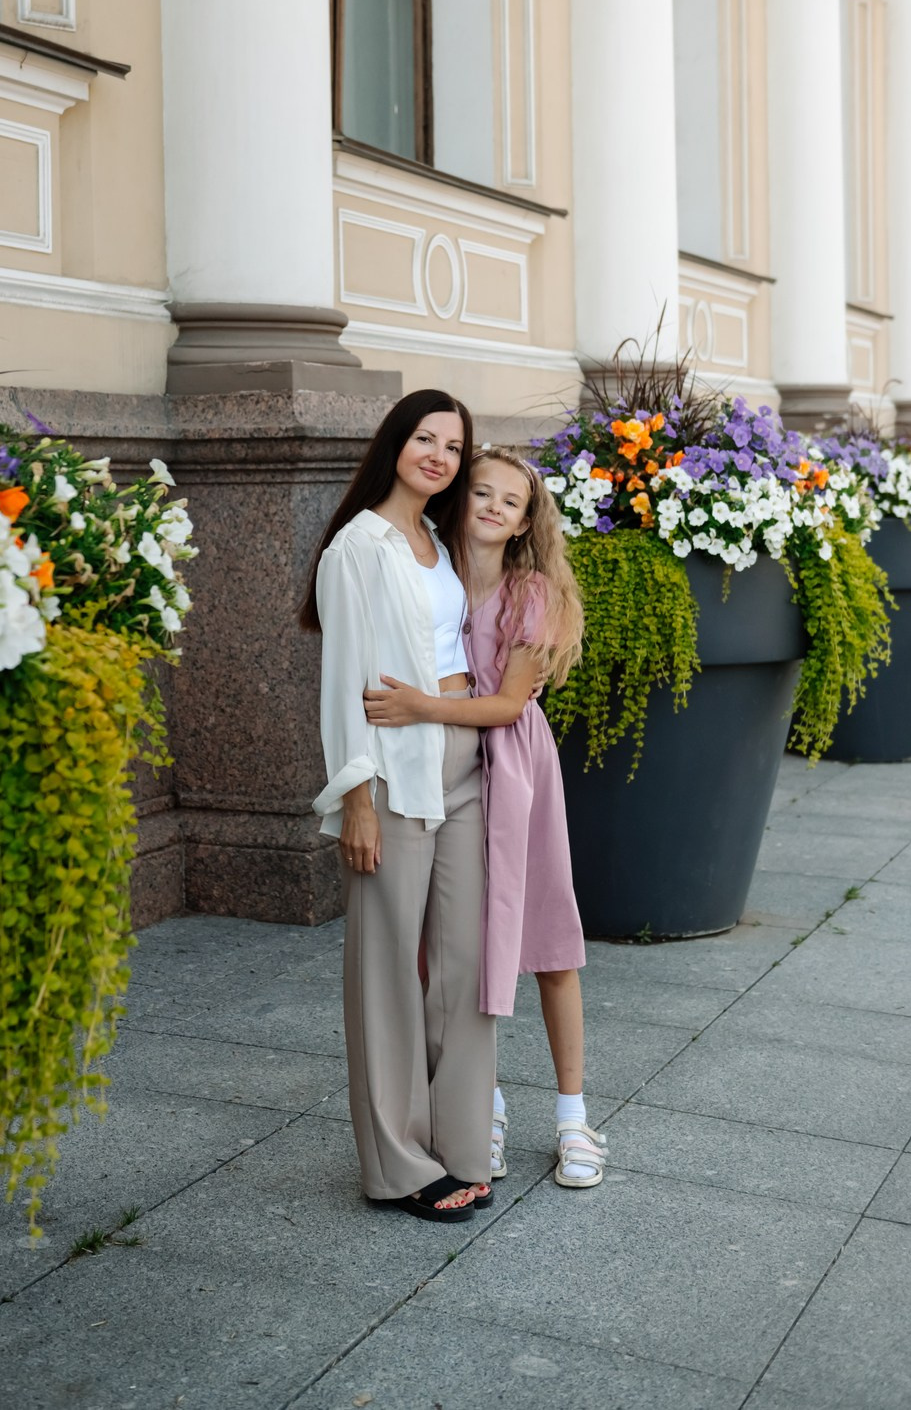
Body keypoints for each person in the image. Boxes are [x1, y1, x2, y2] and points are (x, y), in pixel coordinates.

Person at [364, 444, 607, 1189]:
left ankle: (574, 1119)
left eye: (513, 500)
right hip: (448, 774)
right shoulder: (428, 572)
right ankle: (482, 1110)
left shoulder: (534, 594)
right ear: (459, 500)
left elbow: (506, 704)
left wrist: (419, 705)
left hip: (516, 772)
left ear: (528, 520)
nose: (495, 507)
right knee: (456, 949)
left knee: (549, 944)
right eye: (482, 493)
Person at [300, 389, 496, 1223]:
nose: (441, 457)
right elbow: (344, 681)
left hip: (460, 763)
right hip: (390, 772)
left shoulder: (437, 541)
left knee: (462, 964)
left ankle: (458, 1143)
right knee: (386, 972)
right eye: (427, 439)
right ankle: (398, 1166)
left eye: (454, 447)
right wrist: (356, 802)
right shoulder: (359, 548)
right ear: (396, 443)